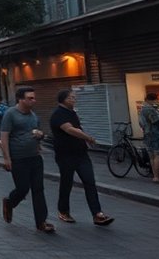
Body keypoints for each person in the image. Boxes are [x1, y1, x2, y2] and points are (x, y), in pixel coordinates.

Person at [49, 90, 114, 226]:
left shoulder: (73, 113)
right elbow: (70, 129)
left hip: (81, 154)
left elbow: (77, 128)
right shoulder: (58, 115)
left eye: (74, 97)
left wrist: (84, 141)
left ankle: (97, 214)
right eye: (71, 97)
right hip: (65, 155)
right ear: (63, 100)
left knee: (90, 182)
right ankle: (63, 211)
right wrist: (88, 137)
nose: (74, 99)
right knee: (66, 184)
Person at [0, 87, 54, 233]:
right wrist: (7, 158)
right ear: (21, 99)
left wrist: (40, 135)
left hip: (35, 157)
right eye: (30, 98)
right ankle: (10, 202)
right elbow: (4, 136)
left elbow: (38, 132)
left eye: (34, 98)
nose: (34, 100)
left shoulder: (33, 115)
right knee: (23, 188)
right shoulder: (10, 114)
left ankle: (41, 222)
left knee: (38, 189)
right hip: (18, 158)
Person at [140, 92, 159, 183]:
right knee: (158, 154)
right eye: (156, 99)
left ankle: (155, 175)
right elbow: (158, 121)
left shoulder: (142, 108)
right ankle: (158, 177)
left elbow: (141, 123)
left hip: (147, 134)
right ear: (151, 100)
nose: (157, 101)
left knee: (151, 156)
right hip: (156, 134)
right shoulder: (150, 109)